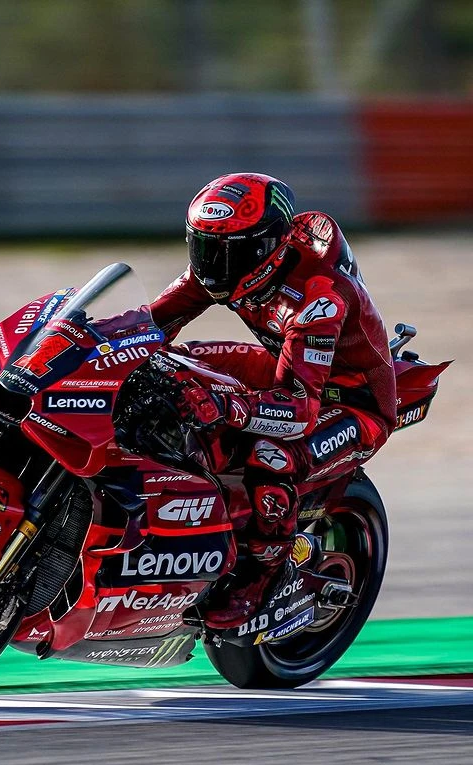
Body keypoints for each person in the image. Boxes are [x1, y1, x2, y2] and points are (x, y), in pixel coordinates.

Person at [150, 173, 396, 628]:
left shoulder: (317, 300)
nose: (211, 265)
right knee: (170, 367)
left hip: (351, 402)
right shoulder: (223, 269)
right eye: (203, 246)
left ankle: (262, 576)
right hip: (286, 366)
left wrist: (227, 407)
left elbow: (300, 410)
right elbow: (148, 327)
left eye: (227, 251)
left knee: (271, 457)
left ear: (266, 249)